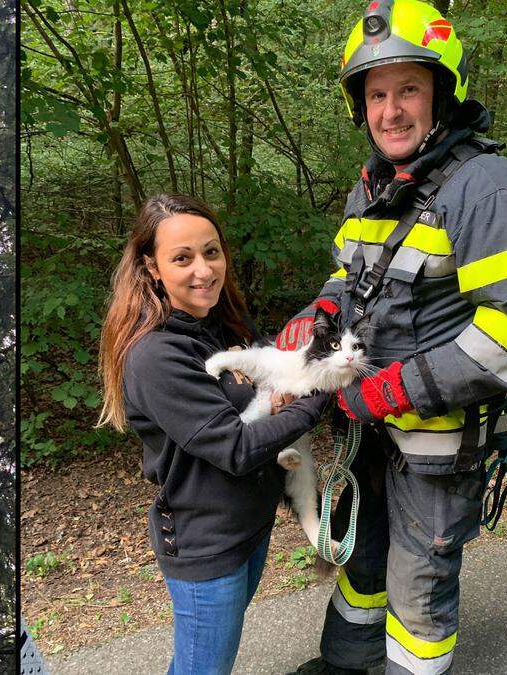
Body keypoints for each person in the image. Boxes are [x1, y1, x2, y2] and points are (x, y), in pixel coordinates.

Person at [279, 2, 507, 673]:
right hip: (373, 431)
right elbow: (352, 279)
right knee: (363, 549)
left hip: (437, 446)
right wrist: (317, 313)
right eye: (377, 93)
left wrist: (392, 388)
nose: (391, 110)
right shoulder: (374, 188)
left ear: (441, 93)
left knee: (417, 583)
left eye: (408, 89)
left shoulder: (486, 189)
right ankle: (346, 660)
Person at [97, 193, 330, 674]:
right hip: (209, 545)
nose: (203, 270)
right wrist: (323, 395)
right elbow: (236, 447)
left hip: (250, 526)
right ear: (152, 268)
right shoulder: (156, 356)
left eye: (211, 252)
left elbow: (269, 385)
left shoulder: (221, 325)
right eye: (182, 258)